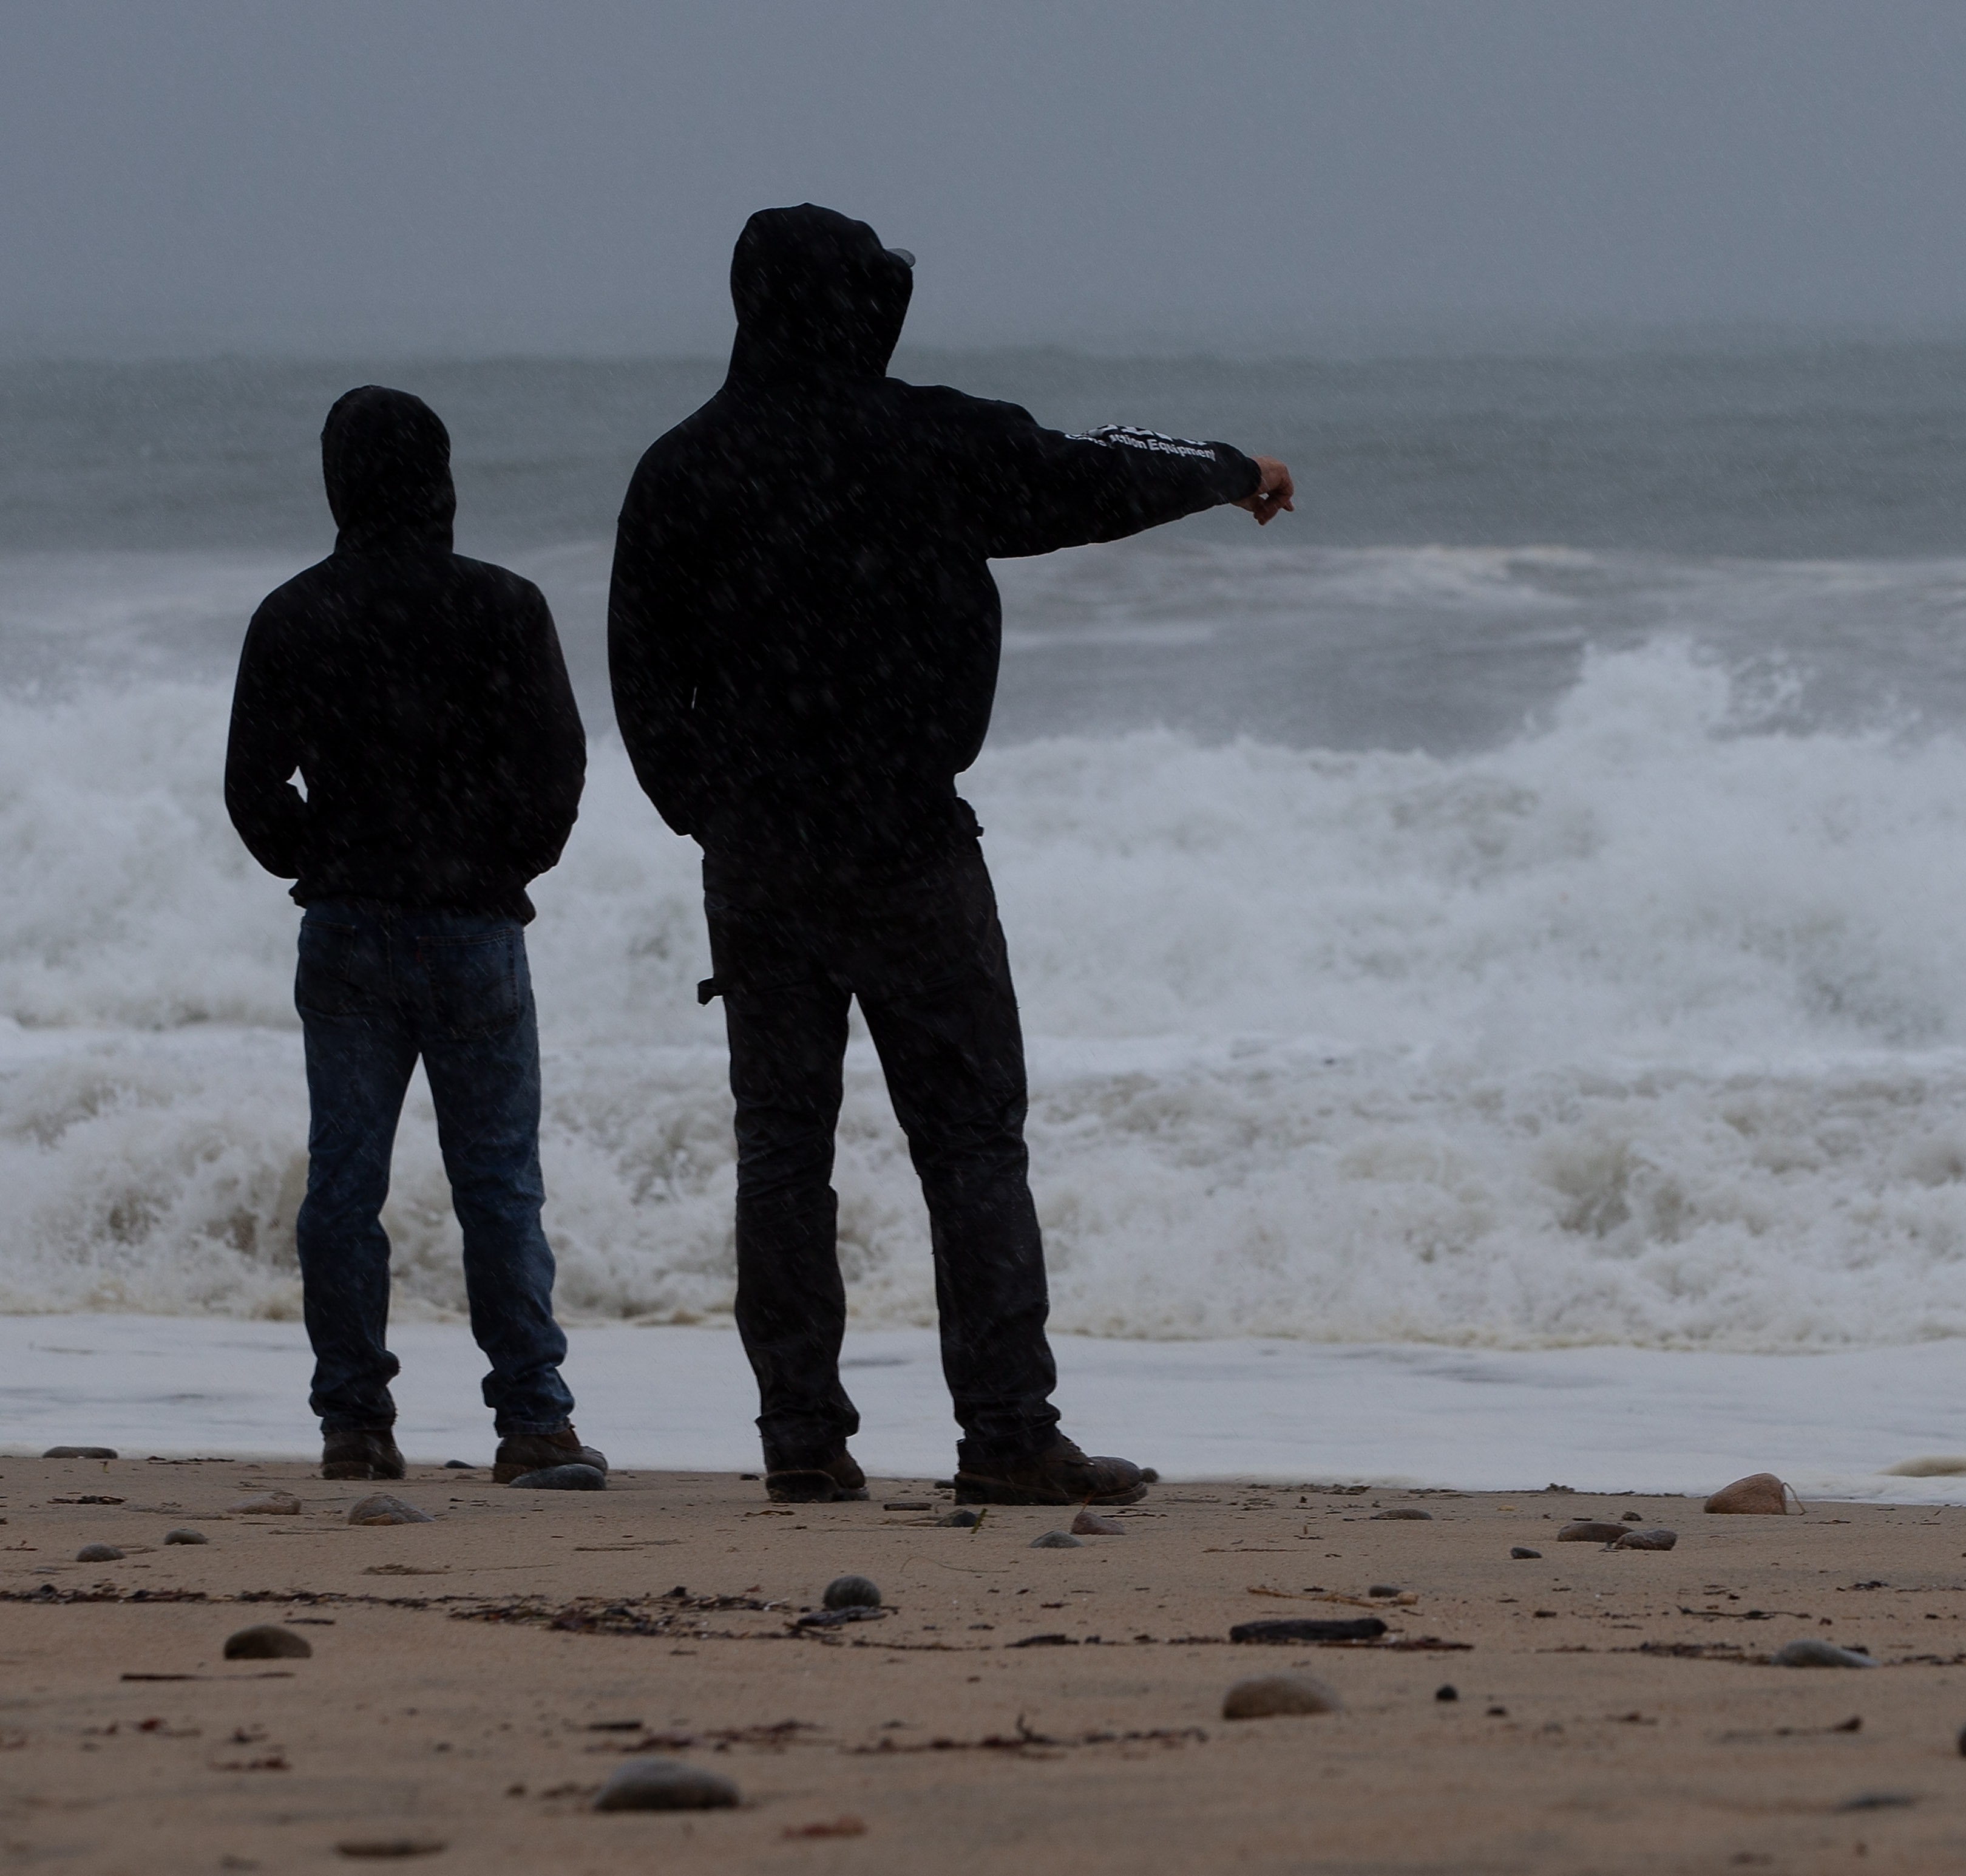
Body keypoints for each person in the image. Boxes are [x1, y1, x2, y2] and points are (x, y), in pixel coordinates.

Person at [610, 205, 1294, 1507]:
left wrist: (708, 813)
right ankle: (1005, 1433)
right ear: (863, 309)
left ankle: (802, 1442)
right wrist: (1223, 468)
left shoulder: (682, 468)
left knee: (781, 1149)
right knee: (971, 1141)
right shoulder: (933, 441)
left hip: (758, 857)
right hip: (909, 840)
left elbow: (643, 683)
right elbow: (1096, 474)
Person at [225, 386, 604, 1486]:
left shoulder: (295, 612)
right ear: (441, 477)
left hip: (347, 928)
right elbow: (558, 766)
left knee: (344, 1185)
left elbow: (253, 786)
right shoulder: (503, 605)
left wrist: (318, 856)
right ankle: (532, 1419)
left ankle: (354, 1421)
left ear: (339, 481)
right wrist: (502, 864)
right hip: (475, 928)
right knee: (499, 1187)